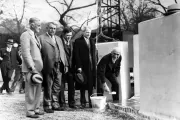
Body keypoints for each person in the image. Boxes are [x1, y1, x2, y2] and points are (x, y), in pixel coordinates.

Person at [39, 22, 68, 113]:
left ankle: (55, 104)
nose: (53, 30)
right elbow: (39, 53)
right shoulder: (41, 38)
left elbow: (62, 52)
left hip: (59, 64)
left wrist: (65, 64)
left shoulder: (58, 38)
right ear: (47, 28)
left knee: (57, 85)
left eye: (54, 28)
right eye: (51, 28)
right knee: (48, 85)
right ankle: (47, 105)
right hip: (48, 65)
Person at [20, 17, 44, 118]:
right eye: (38, 25)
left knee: (37, 90)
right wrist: (31, 67)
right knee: (30, 91)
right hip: (32, 68)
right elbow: (26, 53)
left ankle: (36, 109)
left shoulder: (35, 36)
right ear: (32, 24)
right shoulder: (26, 35)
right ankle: (30, 111)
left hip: (38, 68)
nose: (40, 27)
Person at [73, 26, 97, 108]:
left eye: (90, 32)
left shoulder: (92, 40)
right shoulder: (78, 41)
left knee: (90, 85)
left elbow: (94, 53)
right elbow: (77, 55)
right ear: (83, 32)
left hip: (91, 65)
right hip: (83, 66)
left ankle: (91, 102)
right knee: (83, 83)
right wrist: (79, 66)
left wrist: (95, 64)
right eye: (87, 32)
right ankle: (83, 101)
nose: (89, 34)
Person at [59, 27, 78, 109]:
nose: (69, 37)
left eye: (70, 35)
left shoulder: (73, 43)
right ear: (63, 34)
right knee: (61, 86)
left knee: (71, 86)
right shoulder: (59, 42)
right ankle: (62, 103)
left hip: (71, 68)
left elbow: (75, 56)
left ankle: (72, 103)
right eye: (67, 35)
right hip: (62, 67)